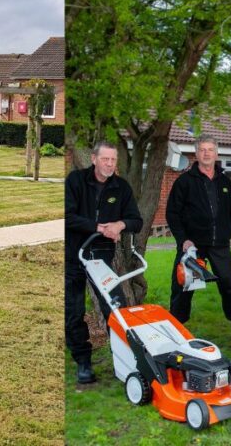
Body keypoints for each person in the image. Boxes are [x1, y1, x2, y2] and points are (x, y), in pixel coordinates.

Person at [66, 140, 143, 384]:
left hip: (102, 256)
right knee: (74, 311)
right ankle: (83, 362)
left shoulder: (121, 188)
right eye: (105, 159)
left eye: (113, 160)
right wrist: (98, 227)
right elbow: (67, 216)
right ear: (94, 159)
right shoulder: (76, 181)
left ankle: (126, 360)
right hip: (74, 254)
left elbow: (136, 220)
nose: (109, 164)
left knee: (115, 307)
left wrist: (120, 225)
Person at [166, 134, 231, 348]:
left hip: (220, 245)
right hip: (193, 247)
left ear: (216, 153)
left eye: (210, 149)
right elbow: (172, 214)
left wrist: (227, 232)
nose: (206, 153)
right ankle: (175, 333)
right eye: (202, 149)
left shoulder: (224, 181)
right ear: (196, 153)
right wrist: (183, 240)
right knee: (183, 288)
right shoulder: (184, 181)